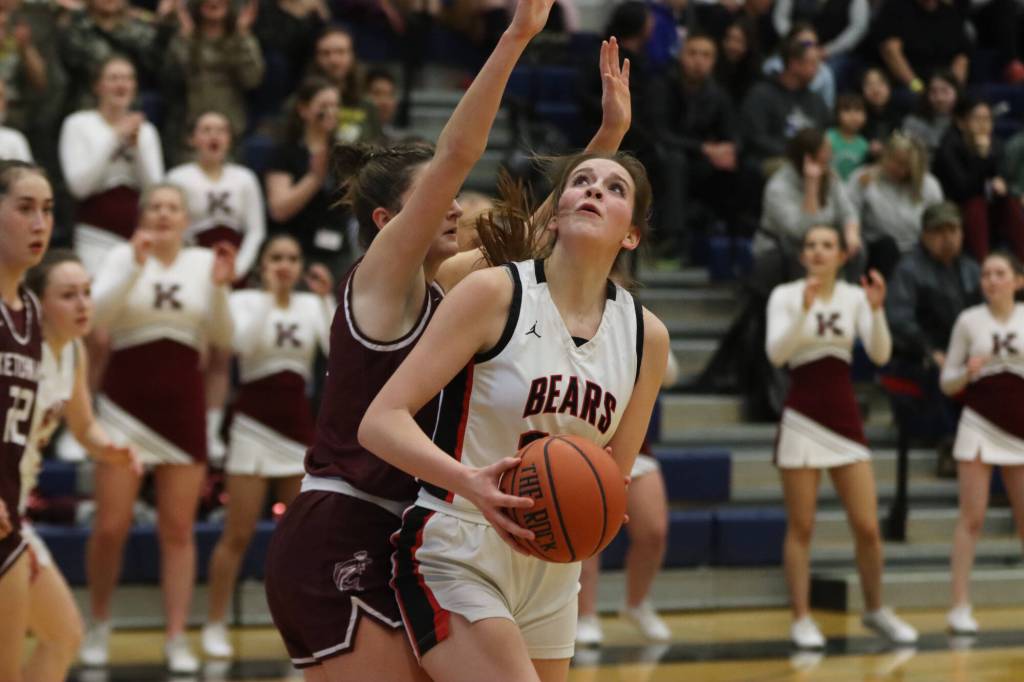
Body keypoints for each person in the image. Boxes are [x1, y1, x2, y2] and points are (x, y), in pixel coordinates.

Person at [264, 11, 632, 680]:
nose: (457, 207)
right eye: (438, 199)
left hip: (401, 535)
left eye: (458, 197)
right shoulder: (380, 281)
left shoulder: (453, 290)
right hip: (340, 525)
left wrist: (607, 139)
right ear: (388, 222)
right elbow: (458, 152)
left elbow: (543, 235)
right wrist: (516, 36)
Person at [360, 146, 669, 682]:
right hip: (460, 543)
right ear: (555, 213)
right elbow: (380, 420)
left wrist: (597, 508)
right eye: (582, 181)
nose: (594, 190)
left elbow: (615, 470)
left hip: (554, 564)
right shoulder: (494, 293)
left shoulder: (647, 336)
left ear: (631, 235)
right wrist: (470, 482)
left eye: (615, 188)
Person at [82, 183, 235, 673]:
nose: (164, 214)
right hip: (124, 407)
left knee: (178, 530)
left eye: (173, 206)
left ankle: (175, 635)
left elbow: (223, 339)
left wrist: (218, 286)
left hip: (181, 409)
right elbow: (97, 318)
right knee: (110, 527)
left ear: (186, 216)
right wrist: (132, 263)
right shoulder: (120, 255)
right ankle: (99, 623)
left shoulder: (202, 262)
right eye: (155, 206)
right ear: (142, 214)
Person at [766, 223, 917, 649]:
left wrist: (878, 309)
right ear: (802, 255)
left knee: (868, 527)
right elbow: (777, 354)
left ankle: (874, 609)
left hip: (844, 417)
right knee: (803, 526)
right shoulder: (785, 295)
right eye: (811, 245)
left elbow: (882, 354)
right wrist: (803, 310)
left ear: (841, 255)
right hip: (801, 415)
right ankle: (801, 618)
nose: (818, 251)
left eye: (826, 245)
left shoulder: (855, 297)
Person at [201, 234, 334, 659]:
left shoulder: (312, 305)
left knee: (299, 540)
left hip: (296, 428)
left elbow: (337, 352)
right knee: (236, 534)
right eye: (276, 257)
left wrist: (328, 301)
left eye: (292, 257)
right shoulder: (244, 302)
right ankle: (215, 622)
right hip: (252, 425)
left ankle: (300, 628)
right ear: (261, 265)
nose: (285, 264)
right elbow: (243, 347)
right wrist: (271, 300)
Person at [19, 250, 138, 682]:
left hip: (14, 521)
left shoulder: (72, 353)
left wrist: (113, 450)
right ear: (37, 303)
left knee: (64, 636)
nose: (84, 303)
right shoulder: (14, 351)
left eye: (87, 293)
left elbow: (84, 427)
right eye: (68, 295)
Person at [167, 110, 267, 460]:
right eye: (205, 129)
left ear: (229, 137)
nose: (213, 136)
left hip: (231, 272)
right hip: (194, 270)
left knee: (223, 353)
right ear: (192, 138)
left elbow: (255, 229)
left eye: (220, 129)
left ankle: (211, 433)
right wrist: (196, 264)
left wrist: (238, 267)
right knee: (195, 351)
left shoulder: (243, 178)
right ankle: (184, 422)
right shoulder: (178, 177)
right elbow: (171, 226)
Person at [940, 250, 1024, 635]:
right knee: (971, 518)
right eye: (986, 273)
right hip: (978, 424)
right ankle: (959, 606)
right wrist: (967, 373)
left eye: (1000, 273)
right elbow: (947, 381)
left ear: (1017, 281)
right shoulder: (968, 321)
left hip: (1020, 428)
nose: (991, 279)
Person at [576, 350, 681, 646]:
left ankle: (637, 603)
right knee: (587, 536)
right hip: (579, 446)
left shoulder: (637, 324)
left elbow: (670, 374)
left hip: (634, 446)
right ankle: (586, 614)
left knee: (654, 531)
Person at [0, 160, 53, 682]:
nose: (40, 223)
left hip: (8, 519)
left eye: (47, 210)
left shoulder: (31, 311)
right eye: (24, 209)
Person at [885, 202, 981, 477]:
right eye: (939, 231)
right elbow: (899, 321)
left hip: (965, 354)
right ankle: (949, 444)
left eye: (953, 230)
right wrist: (930, 351)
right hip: (919, 356)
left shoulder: (973, 269)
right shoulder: (909, 269)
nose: (947, 238)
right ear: (925, 236)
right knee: (941, 371)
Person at [59, 55, 164, 276]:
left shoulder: (147, 131)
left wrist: (136, 149)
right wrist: (115, 138)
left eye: (128, 78)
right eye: (114, 78)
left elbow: (154, 191)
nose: (121, 84)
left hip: (138, 235)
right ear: (98, 86)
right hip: (93, 236)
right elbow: (79, 187)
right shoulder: (78, 124)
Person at [161, 0, 264, 164]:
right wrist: (186, 38)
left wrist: (241, 37)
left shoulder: (241, 39)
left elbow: (252, 79)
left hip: (232, 131)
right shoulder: (184, 38)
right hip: (188, 131)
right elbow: (172, 80)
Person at [265, 78, 348, 277]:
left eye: (335, 106)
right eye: (324, 106)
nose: (331, 112)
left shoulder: (344, 151)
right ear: (304, 110)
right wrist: (314, 178)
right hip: (297, 251)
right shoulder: (285, 152)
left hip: (338, 247)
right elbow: (279, 209)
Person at [932, 96, 1024, 264]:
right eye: (977, 118)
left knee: (1011, 202)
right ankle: (983, 266)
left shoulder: (995, 144)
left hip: (989, 205)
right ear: (961, 122)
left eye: (987, 119)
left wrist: (1003, 185)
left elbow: (1004, 177)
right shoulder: (948, 148)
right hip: (958, 207)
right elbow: (963, 190)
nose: (983, 124)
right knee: (976, 204)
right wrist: (981, 158)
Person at [757, 127, 861, 274]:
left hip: (823, 240)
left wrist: (851, 234)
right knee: (805, 255)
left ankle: (846, 293)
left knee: (856, 249)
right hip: (783, 246)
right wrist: (811, 187)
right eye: (824, 155)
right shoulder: (778, 187)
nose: (829, 157)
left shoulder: (830, 176)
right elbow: (801, 232)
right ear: (807, 158)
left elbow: (848, 211)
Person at [847, 132, 943, 278]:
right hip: (878, 249)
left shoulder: (929, 185)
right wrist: (852, 234)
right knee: (887, 246)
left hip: (916, 249)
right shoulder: (864, 178)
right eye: (894, 160)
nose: (897, 168)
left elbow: (938, 221)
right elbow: (849, 212)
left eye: (905, 165)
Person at [872, 0, 970, 92]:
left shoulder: (949, 13)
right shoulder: (896, 8)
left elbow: (961, 57)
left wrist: (954, 89)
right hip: (908, 83)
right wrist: (917, 87)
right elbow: (891, 52)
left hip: (943, 83)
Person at [901, 70, 958, 156]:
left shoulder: (967, 120)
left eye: (945, 91)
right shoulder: (913, 122)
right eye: (933, 92)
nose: (940, 98)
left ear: (957, 91)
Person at [827, 93, 868, 181]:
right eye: (847, 110)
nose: (853, 116)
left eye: (858, 110)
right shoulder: (829, 138)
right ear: (837, 114)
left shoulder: (864, 144)